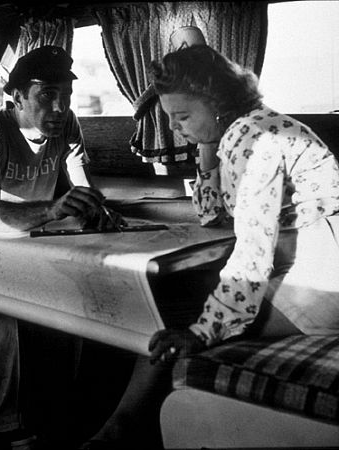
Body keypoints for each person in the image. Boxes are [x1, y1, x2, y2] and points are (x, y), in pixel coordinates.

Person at [79, 44, 339, 450]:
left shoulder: (255, 138)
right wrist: (205, 149)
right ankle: (126, 428)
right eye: (170, 119)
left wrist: (203, 333)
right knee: (171, 307)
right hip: (310, 266)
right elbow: (213, 216)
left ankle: (120, 431)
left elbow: (253, 250)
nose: (176, 128)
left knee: (171, 317)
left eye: (182, 117)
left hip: (326, 281)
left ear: (218, 104)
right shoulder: (241, 130)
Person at [0, 45, 123, 450]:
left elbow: (82, 182)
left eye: (64, 96)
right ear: (16, 97)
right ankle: (6, 429)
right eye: (46, 95)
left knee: (99, 292)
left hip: (40, 241)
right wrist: (53, 208)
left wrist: (95, 208)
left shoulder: (66, 124)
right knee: (3, 313)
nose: (58, 106)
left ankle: (77, 415)